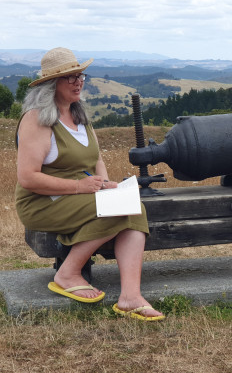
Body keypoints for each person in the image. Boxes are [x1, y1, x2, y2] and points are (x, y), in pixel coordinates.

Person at [15, 47, 164, 321]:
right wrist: (79, 187)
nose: (78, 81)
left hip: (78, 198)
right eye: (70, 77)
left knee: (133, 207)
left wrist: (107, 184)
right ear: (51, 85)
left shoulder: (80, 116)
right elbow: (28, 178)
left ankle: (131, 297)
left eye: (80, 75)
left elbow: (96, 161)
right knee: (122, 210)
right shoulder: (37, 120)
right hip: (41, 202)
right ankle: (68, 273)